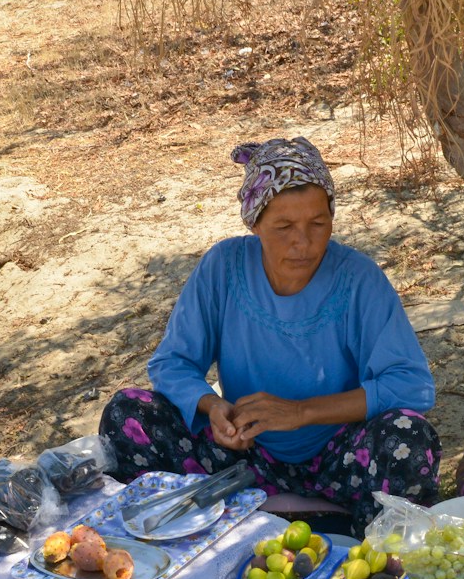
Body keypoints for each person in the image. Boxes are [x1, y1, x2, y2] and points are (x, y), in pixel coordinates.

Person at [100, 137, 439, 528]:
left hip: (341, 458)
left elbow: (413, 386)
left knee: (408, 438)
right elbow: (173, 362)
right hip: (244, 455)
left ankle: (373, 554)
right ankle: (176, 541)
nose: (303, 243)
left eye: (318, 223)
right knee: (129, 413)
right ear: (255, 223)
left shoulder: (357, 278)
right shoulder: (224, 267)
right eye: (283, 226)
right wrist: (214, 410)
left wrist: (299, 414)